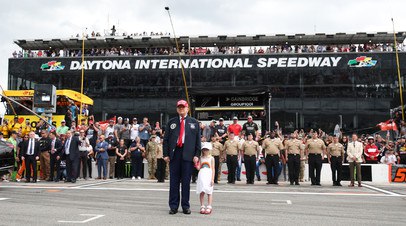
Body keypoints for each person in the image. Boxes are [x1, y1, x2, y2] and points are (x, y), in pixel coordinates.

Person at [163, 100, 201, 215]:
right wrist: (165, 154)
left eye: (183, 107)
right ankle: (173, 206)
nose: (181, 109)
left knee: (186, 182)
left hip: (188, 155)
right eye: (179, 107)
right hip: (175, 154)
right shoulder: (171, 122)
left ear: (187, 108)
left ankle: (185, 206)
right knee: (174, 182)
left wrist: (197, 155)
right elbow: (166, 140)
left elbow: (198, 142)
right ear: (177, 109)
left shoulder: (194, 123)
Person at [196, 142, 215, 215]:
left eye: (207, 149)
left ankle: (209, 206)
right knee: (202, 191)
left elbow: (213, 168)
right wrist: (196, 164)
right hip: (202, 175)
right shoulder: (201, 158)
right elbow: (199, 167)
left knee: (209, 191)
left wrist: (212, 179)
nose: (205, 151)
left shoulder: (211, 158)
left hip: (209, 175)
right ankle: (202, 205)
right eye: (204, 149)